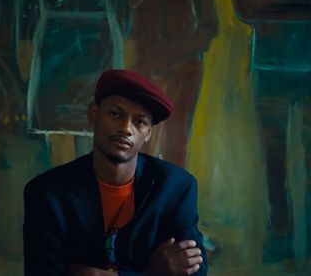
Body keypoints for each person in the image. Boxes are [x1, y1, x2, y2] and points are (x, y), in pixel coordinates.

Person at [23, 69, 207, 276]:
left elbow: (195, 272)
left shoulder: (176, 187)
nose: (126, 128)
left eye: (139, 122)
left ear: (148, 133)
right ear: (94, 114)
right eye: (115, 114)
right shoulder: (46, 193)